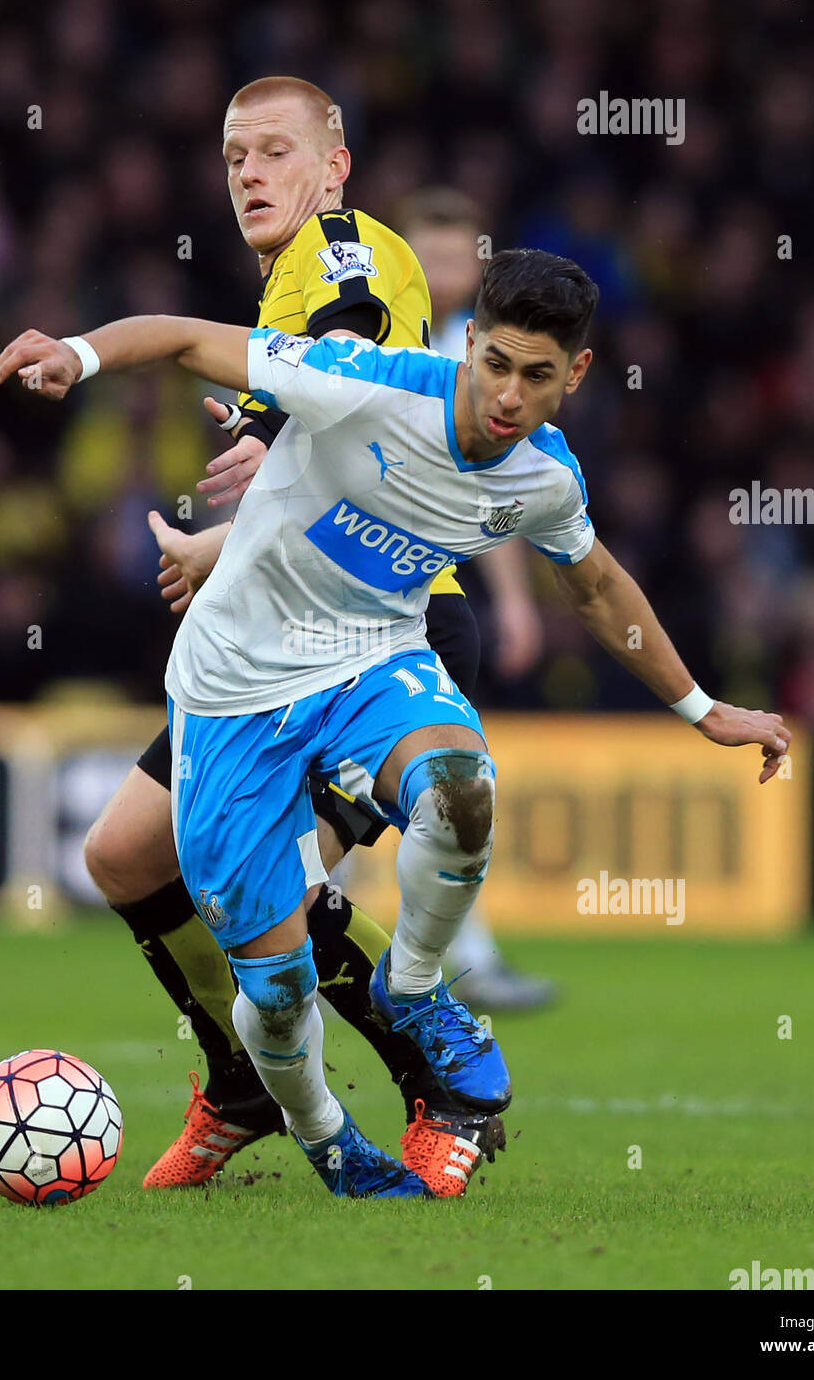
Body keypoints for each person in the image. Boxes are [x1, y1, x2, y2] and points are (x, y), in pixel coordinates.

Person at [0, 246, 792, 1197]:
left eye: (537, 377)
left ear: (573, 377)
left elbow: (597, 587)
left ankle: (410, 987)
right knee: (276, 994)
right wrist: (77, 354)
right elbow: (192, 339)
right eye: (494, 363)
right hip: (233, 689)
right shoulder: (360, 382)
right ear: (469, 346)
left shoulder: (544, 479)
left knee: (460, 790)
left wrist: (705, 710)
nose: (508, 396)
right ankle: (327, 1137)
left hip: (375, 661)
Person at [44, 76, 507, 1196]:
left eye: (275, 151)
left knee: (286, 892)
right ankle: (239, 1079)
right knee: (123, 855)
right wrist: (233, 532)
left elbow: (344, 352)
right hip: (276, 633)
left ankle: (450, 1090)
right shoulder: (280, 289)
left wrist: (264, 435)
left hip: (387, 627)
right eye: (234, 154)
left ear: (335, 167)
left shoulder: (349, 251)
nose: (249, 172)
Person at [398, 187, 556, 1012]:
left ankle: (462, 957)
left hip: (430, 596)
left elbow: (494, 502)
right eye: (437, 256)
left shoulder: (493, 363)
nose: (451, 271)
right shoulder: (378, 340)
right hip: (352, 590)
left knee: (444, 774)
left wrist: (518, 603)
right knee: (420, 778)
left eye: (464, 258)